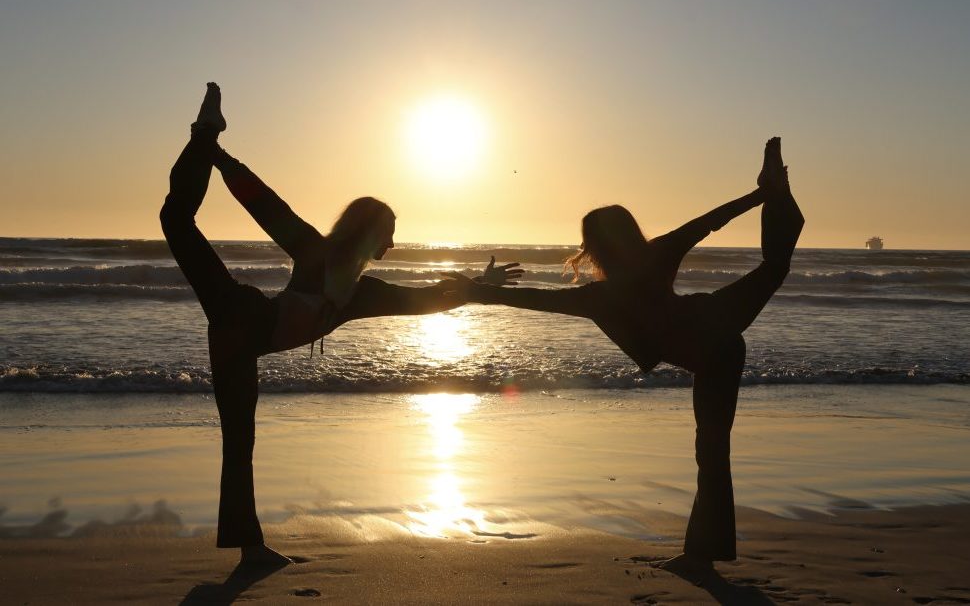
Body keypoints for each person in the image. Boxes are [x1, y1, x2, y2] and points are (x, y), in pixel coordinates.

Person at [160, 83, 521, 566]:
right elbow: (266, 205)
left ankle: (251, 551)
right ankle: (205, 135)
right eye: (388, 235)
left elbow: (428, 299)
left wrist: (478, 284)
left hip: (238, 342)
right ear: (369, 232)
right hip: (240, 314)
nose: (391, 245)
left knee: (240, 442)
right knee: (176, 219)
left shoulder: (361, 293)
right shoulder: (318, 255)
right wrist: (221, 160)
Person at [447, 137, 803, 579]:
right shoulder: (655, 255)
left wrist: (478, 291)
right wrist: (758, 197)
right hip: (715, 322)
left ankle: (699, 558)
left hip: (715, 347)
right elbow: (710, 221)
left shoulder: (600, 297)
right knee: (774, 268)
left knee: (712, 449)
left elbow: (536, 299)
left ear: (594, 247)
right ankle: (777, 192)